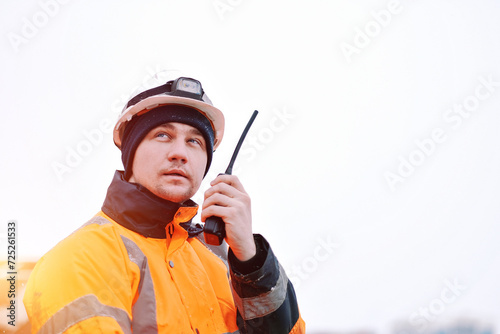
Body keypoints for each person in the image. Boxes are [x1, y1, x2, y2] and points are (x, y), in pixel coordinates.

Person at [23, 76, 306, 333]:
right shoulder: (77, 260)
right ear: (130, 153)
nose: (180, 153)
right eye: (163, 135)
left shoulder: (220, 260)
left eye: (195, 141)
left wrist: (250, 260)